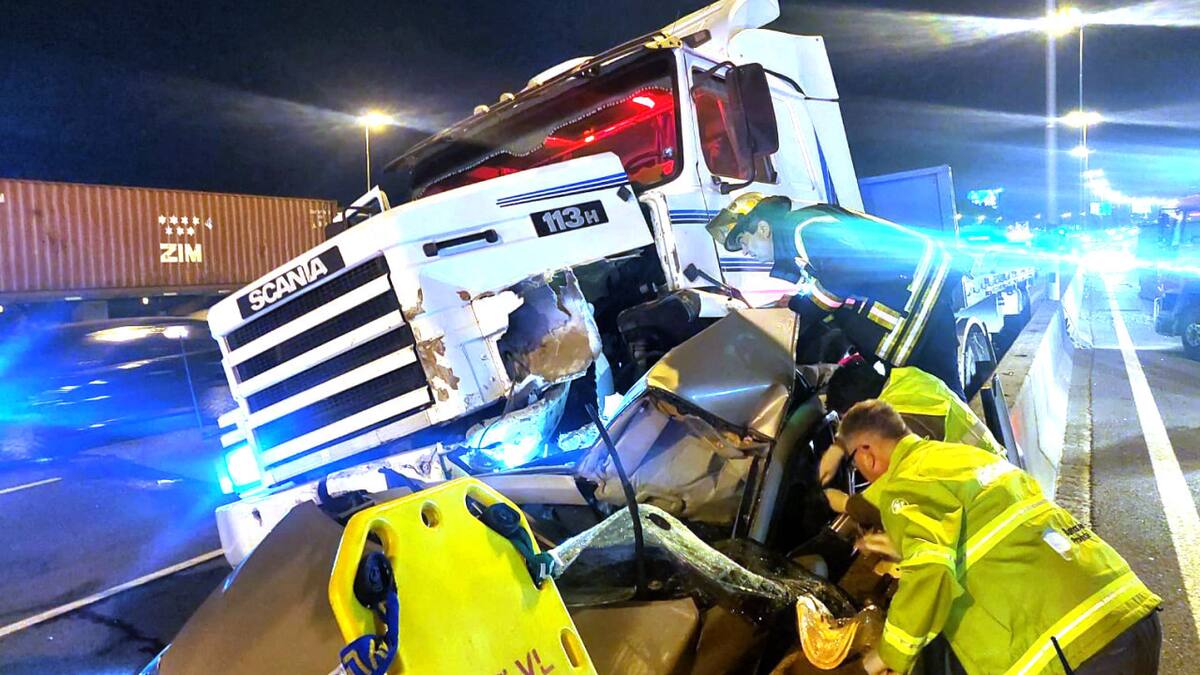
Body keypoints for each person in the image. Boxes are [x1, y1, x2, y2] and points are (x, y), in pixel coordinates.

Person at [837, 400, 1161, 675]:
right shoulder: (963, 457)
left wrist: (883, 657)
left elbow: (929, 572)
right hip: (1127, 610)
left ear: (865, 453)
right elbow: (980, 532)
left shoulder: (903, 485)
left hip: (1074, 646)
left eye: (853, 463)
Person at [706, 193, 967, 399]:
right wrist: (797, 302)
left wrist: (802, 307)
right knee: (931, 400)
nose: (745, 252)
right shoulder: (797, 239)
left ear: (763, 228)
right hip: (915, 317)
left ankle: (972, 448)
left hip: (923, 314)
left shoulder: (802, 229)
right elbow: (836, 284)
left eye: (743, 241)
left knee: (943, 400)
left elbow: (846, 272)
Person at [818, 357, 1007, 525]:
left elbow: (896, 500)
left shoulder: (901, 422)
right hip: (992, 474)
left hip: (987, 504)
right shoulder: (909, 382)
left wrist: (844, 503)